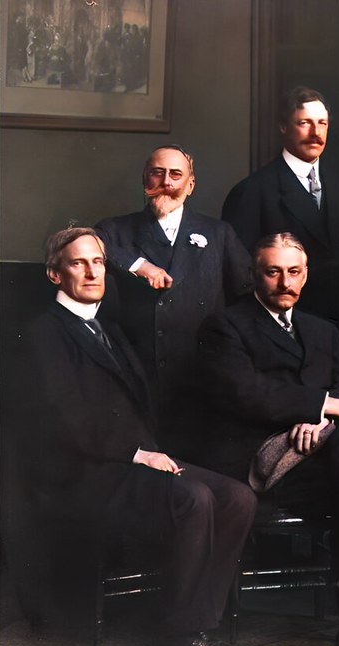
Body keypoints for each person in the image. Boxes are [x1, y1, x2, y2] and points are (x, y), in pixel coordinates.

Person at [22, 227, 255, 646]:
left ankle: (199, 619)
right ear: (55, 274)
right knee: (194, 497)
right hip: (81, 474)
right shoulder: (42, 334)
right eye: (78, 263)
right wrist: (138, 453)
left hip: (130, 461)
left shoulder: (107, 326)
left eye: (97, 262)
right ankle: (180, 636)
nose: (92, 272)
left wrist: (151, 451)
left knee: (238, 497)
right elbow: (65, 417)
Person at [196, 233, 339, 646]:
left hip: (321, 458)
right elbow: (246, 394)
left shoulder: (322, 330)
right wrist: (322, 407)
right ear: (255, 275)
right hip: (260, 460)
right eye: (273, 272)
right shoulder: (225, 326)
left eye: (294, 272)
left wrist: (320, 423)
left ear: (306, 275)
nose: (284, 282)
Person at [94, 145, 252, 458]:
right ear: (145, 180)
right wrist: (141, 266)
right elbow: (79, 243)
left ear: (190, 185)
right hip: (139, 378)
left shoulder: (219, 233)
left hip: (201, 380)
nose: (167, 181)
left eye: (176, 174)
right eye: (157, 172)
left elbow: (248, 295)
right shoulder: (115, 230)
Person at [222, 86, 339, 322]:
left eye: (322, 123)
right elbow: (238, 277)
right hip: (280, 328)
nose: (316, 133)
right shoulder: (251, 191)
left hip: (336, 329)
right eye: (304, 123)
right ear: (283, 126)